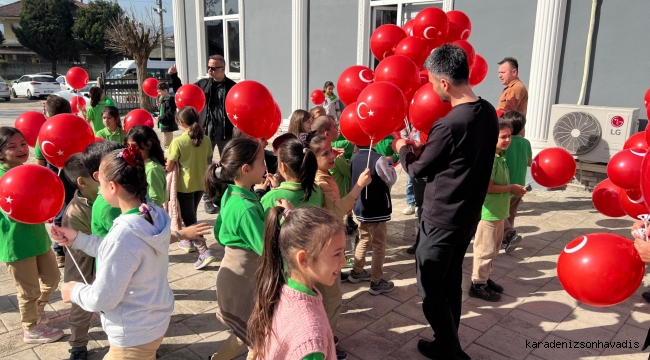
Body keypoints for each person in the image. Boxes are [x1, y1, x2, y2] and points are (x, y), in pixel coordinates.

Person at [394, 44, 499, 360]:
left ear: (444, 83)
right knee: (451, 280)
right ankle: (445, 341)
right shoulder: (489, 112)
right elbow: (457, 160)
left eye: (430, 80)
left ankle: (452, 351)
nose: (429, 86)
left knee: (430, 288)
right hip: (467, 217)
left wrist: (402, 147)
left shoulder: (450, 123)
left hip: (441, 218)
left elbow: (418, 170)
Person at [51, 145, 174, 360]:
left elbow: (103, 298)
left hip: (133, 336)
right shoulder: (152, 213)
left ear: (113, 187)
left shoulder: (123, 235)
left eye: (100, 183)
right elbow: (121, 252)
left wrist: (74, 291)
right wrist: (77, 239)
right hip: (154, 322)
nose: (98, 188)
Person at [204, 138, 273, 360]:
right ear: (246, 169)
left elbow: (219, 233)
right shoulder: (246, 209)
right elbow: (267, 249)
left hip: (232, 274)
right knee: (257, 338)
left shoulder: (231, 194)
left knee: (248, 335)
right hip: (244, 282)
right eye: (262, 162)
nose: (265, 167)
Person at [248, 206, 345, 360]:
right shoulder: (311, 340)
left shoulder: (282, 289)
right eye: (337, 254)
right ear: (303, 259)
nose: (344, 261)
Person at [309, 134, 371, 360]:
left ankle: (324, 337)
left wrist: (334, 157)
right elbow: (337, 211)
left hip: (327, 245)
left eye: (331, 150)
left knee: (327, 299)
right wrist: (358, 187)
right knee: (332, 299)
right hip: (325, 248)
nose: (331, 155)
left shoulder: (325, 174)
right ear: (312, 158)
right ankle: (324, 345)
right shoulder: (321, 181)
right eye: (324, 153)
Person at [0, 127, 64, 344]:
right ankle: (31, 328)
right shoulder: (2, 178)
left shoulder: (27, 171)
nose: (20, 149)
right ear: (0, 153)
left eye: (22, 144)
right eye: (12, 146)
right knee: (28, 290)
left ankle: (38, 309)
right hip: (17, 244)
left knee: (53, 278)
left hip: (38, 239)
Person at [169, 55, 237, 214]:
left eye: (213, 68)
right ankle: (207, 200)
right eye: (209, 67)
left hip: (226, 135)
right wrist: (173, 77)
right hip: (205, 134)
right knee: (205, 169)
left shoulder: (232, 87)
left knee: (228, 169)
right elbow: (184, 92)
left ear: (223, 69)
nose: (210, 71)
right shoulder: (202, 85)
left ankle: (223, 199)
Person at [470, 119, 527, 302]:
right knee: (484, 250)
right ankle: (477, 284)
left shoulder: (500, 156)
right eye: (503, 137)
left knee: (493, 250)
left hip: (499, 212)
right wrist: (511, 188)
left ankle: (485, 279)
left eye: (509, 136)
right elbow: (488, 187)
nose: (508, 140)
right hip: (489, 213)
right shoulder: (490, 160)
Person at [166, 107, 214, 269]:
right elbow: (208, 159)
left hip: (183, 186)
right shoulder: (206, 140)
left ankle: (204, 251)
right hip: (200, 184)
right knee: (190, 213)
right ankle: (188, 242)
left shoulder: (178, 142)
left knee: (190, 220)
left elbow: (169, 164)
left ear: (180, 123)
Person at [61, 153, 99, 360]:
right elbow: (80, 247)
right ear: (82, 182)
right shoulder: (75, 211)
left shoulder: (105, 199)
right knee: (81, 306)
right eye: (97, 176)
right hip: (82, 267)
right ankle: (78, 345)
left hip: (103, 262)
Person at [348, 144, 398, 295]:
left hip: (362, 206)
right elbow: (391, 179)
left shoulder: (355, 157)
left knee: (363, 238)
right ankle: (376, 281)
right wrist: (390, 164)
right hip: (377, 208)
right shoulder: (378, 159)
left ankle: (357, 271)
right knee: (378, 245)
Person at [35, 94, 77, 267]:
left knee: (60, 213)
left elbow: (39, 163)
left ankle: (60, 251)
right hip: (76, 176)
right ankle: (70, 246)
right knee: (75, 209)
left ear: (49, 115)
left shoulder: (44, 134)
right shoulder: (75, 127)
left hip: (55, 179)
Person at [260, 138, 322, 210]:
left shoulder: (271, 198)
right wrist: (276, 188)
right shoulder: (317, 190)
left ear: (283, 166)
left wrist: (259, 191)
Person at [501, 111, 532, 253]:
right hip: (520, 186)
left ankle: (509, 235)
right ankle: (507, 240)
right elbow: (529, 162)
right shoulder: (526, 143)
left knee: (500, 213)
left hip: (505, 185)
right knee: (510, 213)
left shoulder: (505, 142)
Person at [126, 125, 168, 207]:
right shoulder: (141, 163)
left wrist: (142, 213)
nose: (130, 149)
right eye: (128, 145)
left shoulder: (153, 169)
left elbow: (156, 201)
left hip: (152, 215)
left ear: (148, 144)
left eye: (134, 146)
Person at [155, 82, 178, 149]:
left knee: (167, 144)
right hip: (164, 124)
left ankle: (170, 158)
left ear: (165, 90)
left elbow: (170, 113)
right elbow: (165, 110)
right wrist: (160, 106)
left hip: (168, 125)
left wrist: (160, 118)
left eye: (159, 92)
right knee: (166, 143)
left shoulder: (170, 100)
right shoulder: (163, 100)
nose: (158, 94)